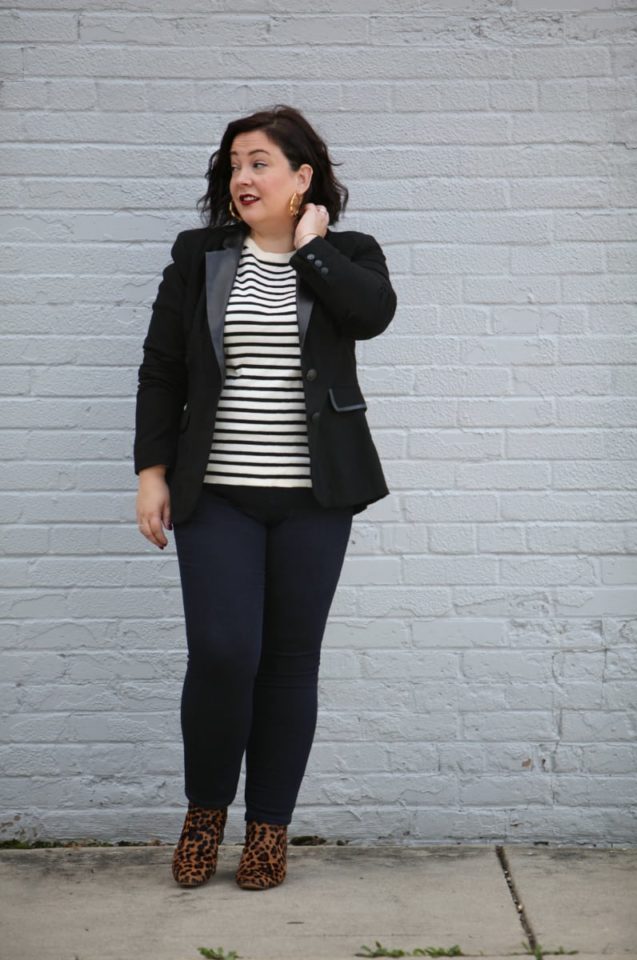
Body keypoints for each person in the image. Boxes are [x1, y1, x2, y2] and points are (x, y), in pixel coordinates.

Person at [133, 104, 397, 891]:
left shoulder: (350, 253)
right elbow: (162, 370)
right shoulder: (201, 256)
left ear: (301, 176)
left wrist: (311, 250)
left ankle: (269, 831)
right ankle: (206, 812)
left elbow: (371, 316)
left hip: (317, 498)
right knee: (224, 652)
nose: (242, 178)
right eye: (234, 165)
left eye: (259, 163)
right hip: (217, 496)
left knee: (288, 662)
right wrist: (152, 473)